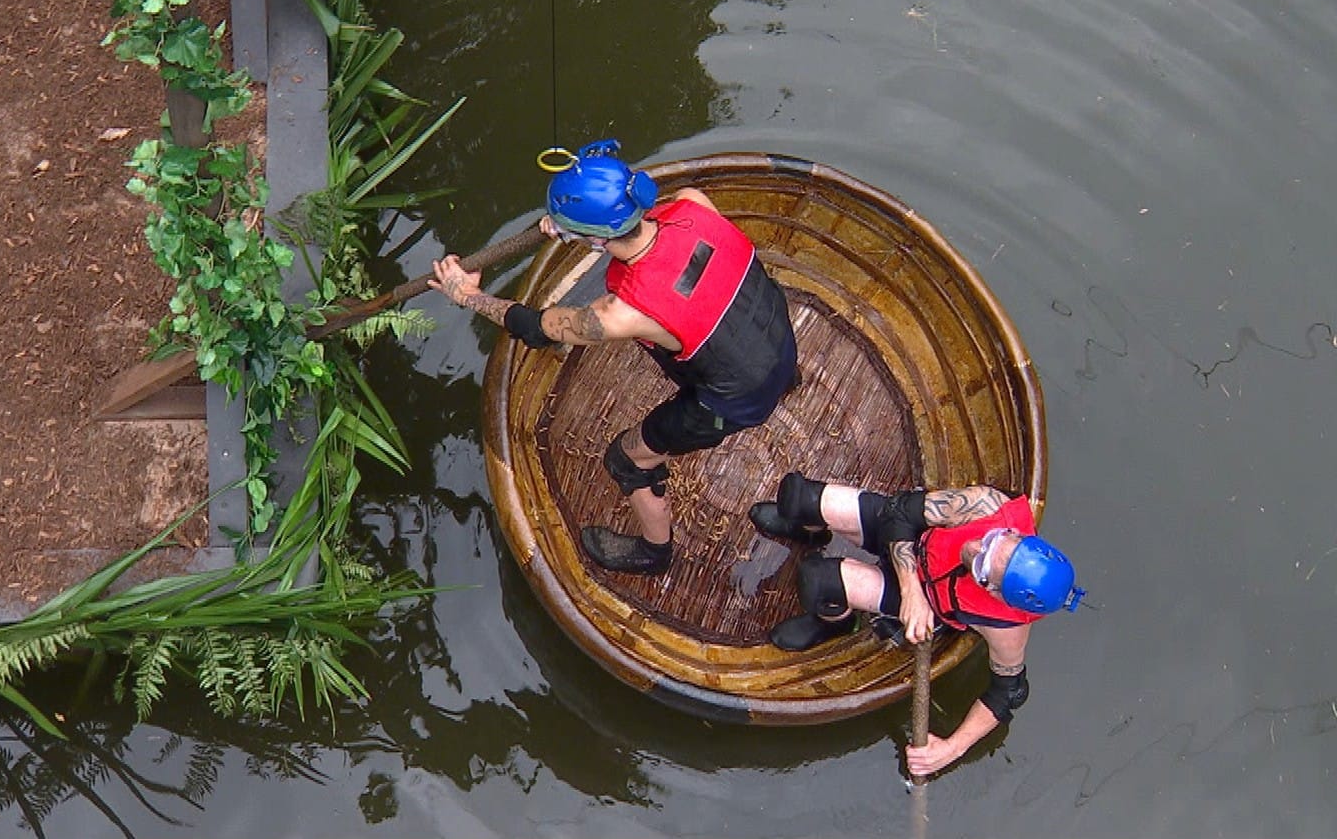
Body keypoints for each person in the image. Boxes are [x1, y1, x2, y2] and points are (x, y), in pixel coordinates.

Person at [430, 140, 799, 575]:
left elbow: (537, 328)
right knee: (731, 334)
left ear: (593, 238)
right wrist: (572, 228)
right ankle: (788, 381)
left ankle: (654, 552)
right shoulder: (691, 206)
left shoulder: (623, 313)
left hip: (736, 398)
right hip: (778, 341)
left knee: (626, 459)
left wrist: (468, 295)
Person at [750, 471, 1086, 777]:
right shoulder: (986, 507)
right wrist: (912, 589)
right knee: (796, 496)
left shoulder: (1008, 631)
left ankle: (836, 622)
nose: (975, 545)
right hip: (909, 541)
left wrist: (951, 749)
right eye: (995, 542)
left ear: (995, 591)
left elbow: (1008, 693)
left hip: (926, 596)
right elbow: (901, 510)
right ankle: (809, 530)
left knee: (816, 580)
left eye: (982, 565)